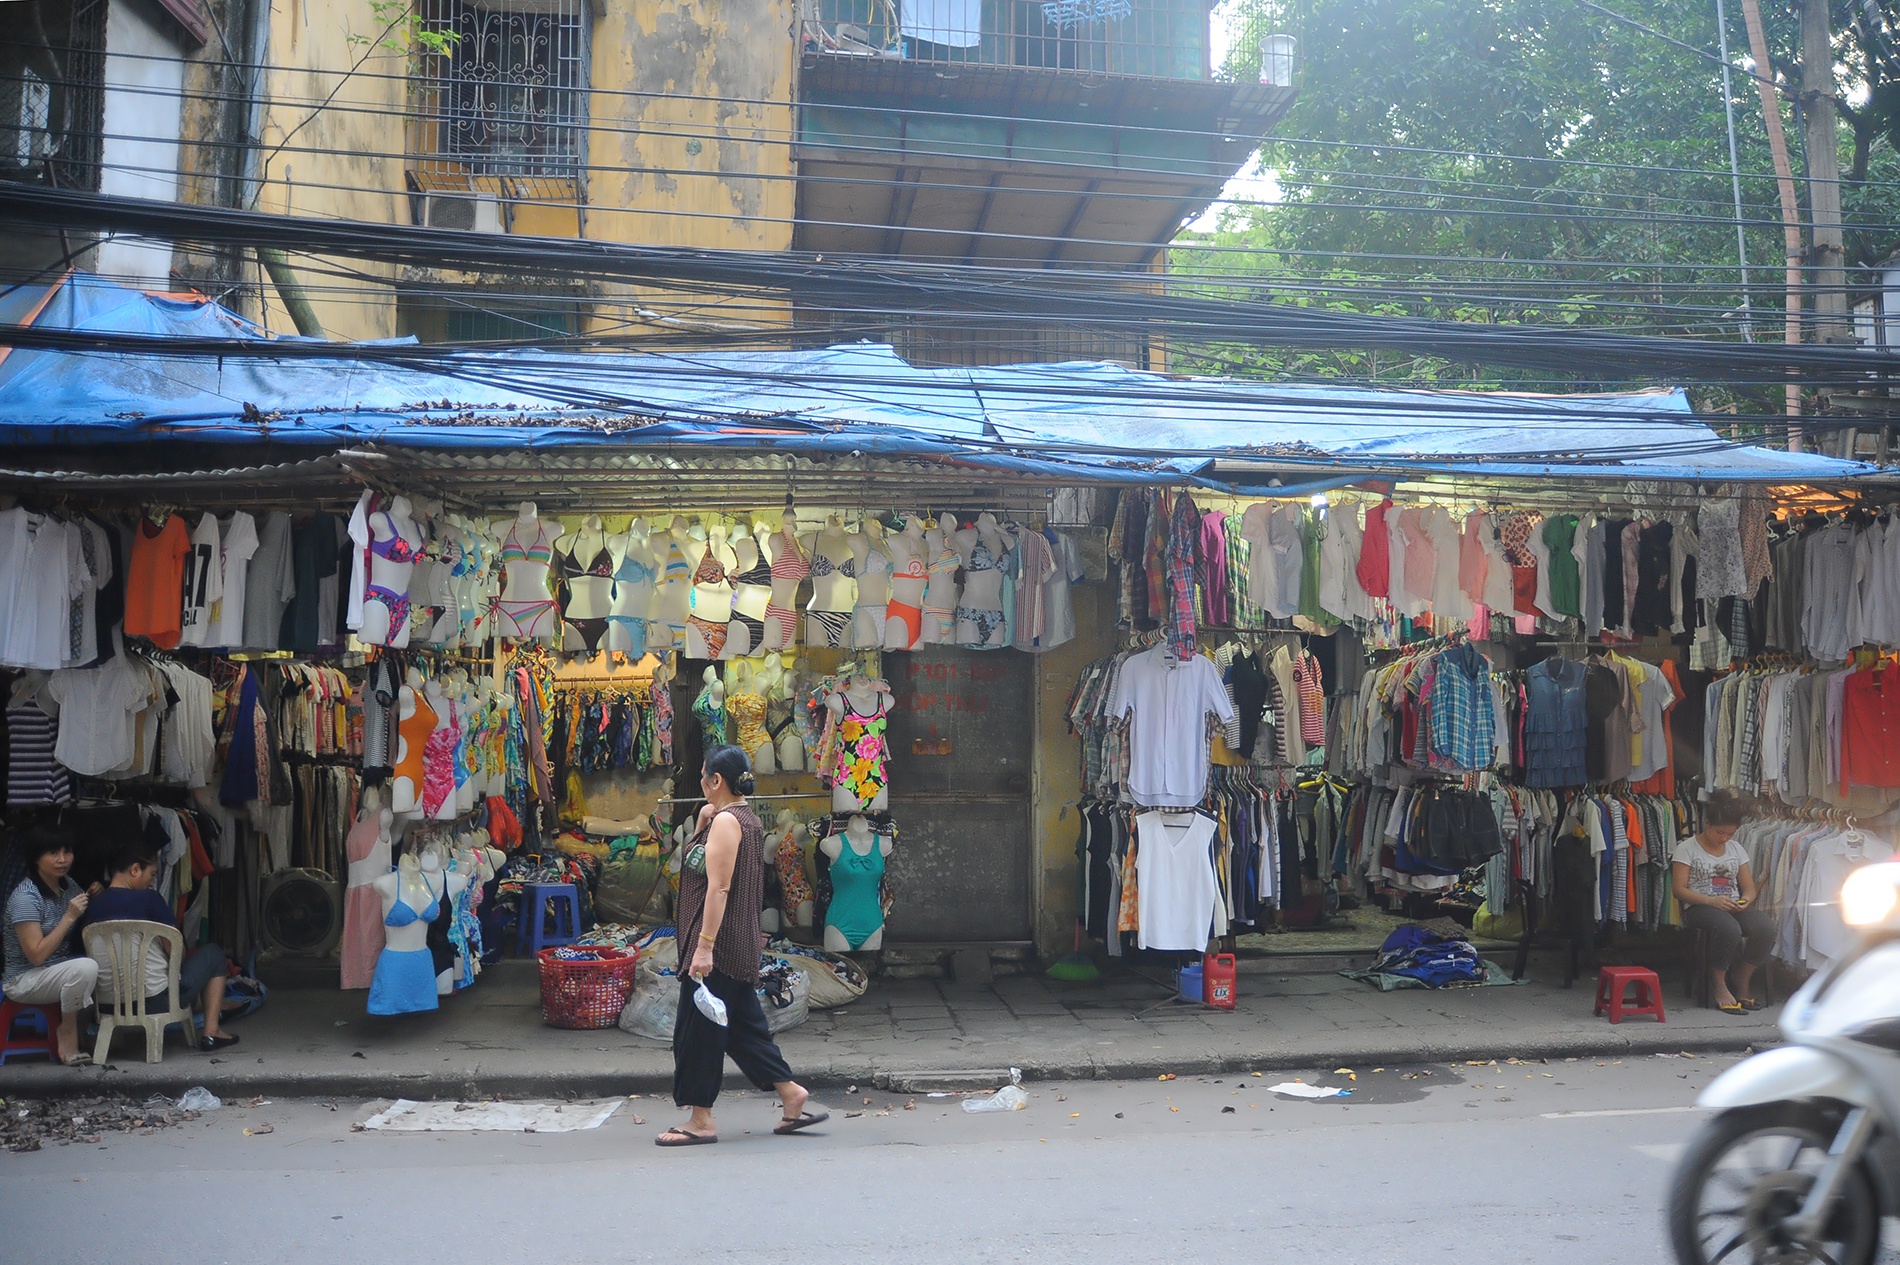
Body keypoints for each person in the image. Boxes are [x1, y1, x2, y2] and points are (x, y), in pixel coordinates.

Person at [658, 744, 827, 1146]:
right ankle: (792, 1095)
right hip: (737, 942)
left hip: (720, 944)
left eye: (703, 776)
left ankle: (701, 1121)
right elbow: (704, 865)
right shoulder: (740, 819)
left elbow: (717, 887)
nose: (701, 782)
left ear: (716, 781)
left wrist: (703, 948)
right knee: (741, 1029)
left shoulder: (728, 824)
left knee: (697, 1031)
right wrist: (701, 823)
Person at [80, 841, 239, 1051]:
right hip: (158, 1002)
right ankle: (211, 1032)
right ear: (135, 870)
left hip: (108, 1005)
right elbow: (176, 955)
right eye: (152, 874)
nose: (152, 881)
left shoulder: (92, 906)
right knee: (214, 954)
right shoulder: (151, 899)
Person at [2, 826, 100, 1064]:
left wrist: (97, 893)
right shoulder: (26, 897)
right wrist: (69, 917)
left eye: (67, 852)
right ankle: (67, 1031)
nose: (62, 859)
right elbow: (36, 956)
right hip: (25, 978)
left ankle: (90, 1036)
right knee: (86, 968)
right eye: (53, 853)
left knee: (99, 967)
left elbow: (81, 903)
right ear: (36, 858)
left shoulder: (67, 885)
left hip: (56, 971)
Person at [1670, 796, 1773, 1014]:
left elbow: (1749, 888)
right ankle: (1719, 983)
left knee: (1766, 928)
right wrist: (1711, 901)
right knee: (1728, 929)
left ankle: (1741, 977)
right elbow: (1679, 889)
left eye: (1730, 834)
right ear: (1707, 824)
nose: (1724, 838)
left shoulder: (1736, 848)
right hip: (1699, 907)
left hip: (1731, 905)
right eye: (1719, 832)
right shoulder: (1687, 848)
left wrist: (1745, 901)